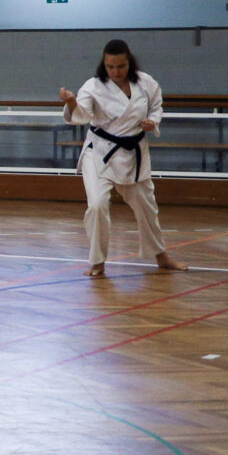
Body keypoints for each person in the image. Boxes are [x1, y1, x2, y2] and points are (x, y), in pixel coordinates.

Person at [60, 38, 176, 277]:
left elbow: (156, 106)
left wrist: (151, 122)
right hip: (100, 151)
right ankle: (97, 261)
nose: (115, 71)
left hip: (133, 152)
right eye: (110, 66)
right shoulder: (93, 86)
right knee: (97, 205)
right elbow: (81, 115)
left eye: (120, 66)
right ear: (104, 64)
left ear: (129, 62)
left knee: (146, 206)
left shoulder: (146, 82)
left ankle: (161, 256)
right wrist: (71, 102)